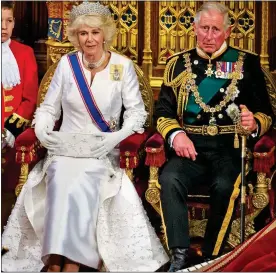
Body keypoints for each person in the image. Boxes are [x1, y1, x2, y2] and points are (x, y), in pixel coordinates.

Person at [2, 2, 169, 272]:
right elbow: (48, 107)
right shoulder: (67, 66)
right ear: (75, 36)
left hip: (102, 149)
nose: (89, 39)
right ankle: (56, 259)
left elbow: (138, 114)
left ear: (105, 35)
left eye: (94, 32)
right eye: (83, 33)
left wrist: (117, 138)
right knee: (61, 174)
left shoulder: (122, 67)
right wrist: (43, 129)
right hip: (65, 147)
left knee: (85, 178)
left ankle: (72, 262)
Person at [155, 2, 274, 271]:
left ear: (228, 31)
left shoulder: (246, 63)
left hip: (228, 150)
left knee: (224, 185)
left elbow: (267, 113)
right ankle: (179, 256)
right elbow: (162, 112)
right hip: (189, 149)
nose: (209, 36)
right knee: (169, 178)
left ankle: (213, 256)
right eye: (204, 28)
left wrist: (253, 122)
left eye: (216, 30)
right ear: (194, 28)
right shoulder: (176, 64)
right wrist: (176, 135)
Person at [1, 1, 38, 232]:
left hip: (9, 132)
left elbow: (29, 100)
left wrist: (7, 131)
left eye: (8, 20)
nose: (3, 26)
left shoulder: (25, 53)